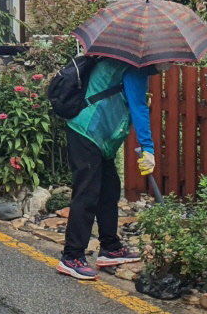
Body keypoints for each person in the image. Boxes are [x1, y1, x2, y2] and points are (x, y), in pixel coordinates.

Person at [56, 58, 166, 280]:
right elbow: (138, 107)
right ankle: (72, 257)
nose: (172, 64)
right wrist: (148, 148)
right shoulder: (135, 68)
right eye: (170, 59)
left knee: (109, 190)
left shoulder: (126, 63)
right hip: (87, 131)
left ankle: (110, 248)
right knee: (87, 194)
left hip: (99, 136)